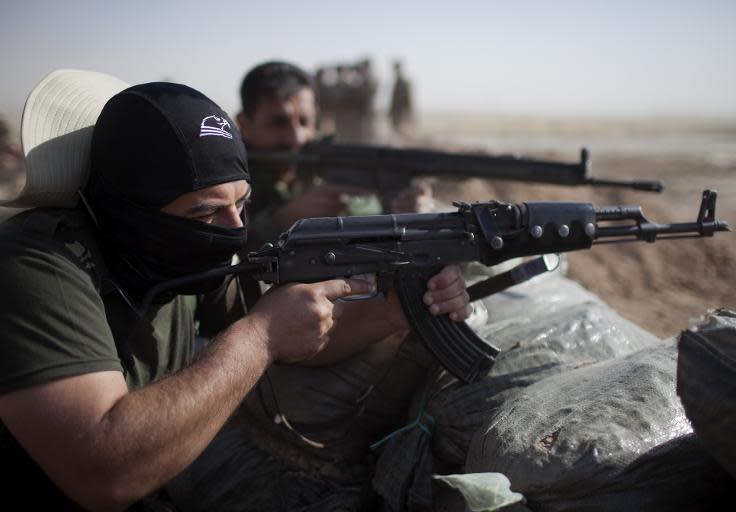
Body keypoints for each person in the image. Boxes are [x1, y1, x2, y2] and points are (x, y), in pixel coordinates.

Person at [0, 69, 471, 510]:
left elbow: (302, 329)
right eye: (205, 215)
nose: (234, 230)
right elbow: (103, 472)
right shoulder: (36, 265)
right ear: (128, 209)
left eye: (242, 205)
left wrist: (403, 306)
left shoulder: (174, 256)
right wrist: (259, 335)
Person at [235, 61, 433, 251]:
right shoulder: (229, 179)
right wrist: (278, 223)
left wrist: (407, 215)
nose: (296, 138)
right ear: (244, 124)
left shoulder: (331, 163)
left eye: (305, 122)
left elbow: (368, 219)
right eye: (277, 123)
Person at [389, 60, 414, 135]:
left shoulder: (404, 82)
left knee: (402, 132)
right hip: (396, 111)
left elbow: (408, 99)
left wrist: (408, 112)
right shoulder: (397, 81)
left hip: (401, 112)